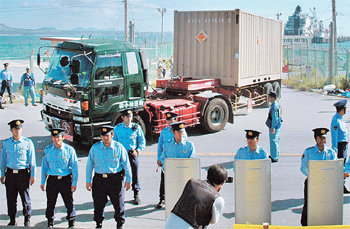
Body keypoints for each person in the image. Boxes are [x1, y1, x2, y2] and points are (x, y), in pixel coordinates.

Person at [300, 128, 349, 226]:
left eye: (324, 138)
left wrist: (341, 173)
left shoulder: (331, 153)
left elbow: (335, 167)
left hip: (327, 184)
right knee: (309, 204)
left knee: (326, 204)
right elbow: (303, 168)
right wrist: (315, 177)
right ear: (315, 138)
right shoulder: (309, 152)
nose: (322, 140)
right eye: (320, 138)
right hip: (312, 183)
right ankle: (305, 224)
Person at [86, 125, 132, 229]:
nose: (105, 138)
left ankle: (119, 224)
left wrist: (128, 180)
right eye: (103, 136)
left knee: (119, 204)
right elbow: (89, 165)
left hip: (115, 179)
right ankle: (98, 223)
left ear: (112, 135)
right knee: (98, 204)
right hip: (99, 180)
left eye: (107, 136)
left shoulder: (119, 147)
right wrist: (88, 181)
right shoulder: (95, 148)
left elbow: (126, 164)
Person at [164, 164, 227, 229]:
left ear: (207, 175)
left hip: (170, 223)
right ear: (222, 183)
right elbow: (212, 221)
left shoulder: (191, 182)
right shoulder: (217, 198)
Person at [0, 119, 36, 226]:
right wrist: (2, 174)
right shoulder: (7, 143)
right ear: (11, 130)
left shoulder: (27, 143)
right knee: (11, 198)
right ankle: (12, 219)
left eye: (19, 128)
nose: (18, 131)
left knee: (25, 198)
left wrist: (32, 175)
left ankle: (27, 219)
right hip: (10, 174)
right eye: (15, 129)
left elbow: (32, 161)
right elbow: (3, 160)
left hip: (23, 174)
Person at [41, 128, 78, 228]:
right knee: (51, 202)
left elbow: (74, 167)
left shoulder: (69, 150)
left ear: (62, 137)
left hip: (65, 180)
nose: (56, 139)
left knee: (69, 202)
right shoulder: (48, 150)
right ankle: (50, 221)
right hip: (52, 180)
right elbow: (44, 167)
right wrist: (42, 181)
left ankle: (71, 221)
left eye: (58, 137)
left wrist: (74, 182)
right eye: (54, 137)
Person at [113, 109, 145, 205]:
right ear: (122, 118)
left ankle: (136, 194)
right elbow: (114, 142)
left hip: (131, 154)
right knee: (119, 175)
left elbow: (142, 141)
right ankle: (118, 195)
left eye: (130, 116)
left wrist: (138, 151)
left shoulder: (136, 127)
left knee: (134, 175)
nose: (129, 118)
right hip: (121, 155)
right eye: (127, 116)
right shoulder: (117, 128)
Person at [156, 112, 188, 209]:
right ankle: (162, 199)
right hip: (167, 160)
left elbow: (185, 145)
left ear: (175, 120)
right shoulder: (164, 132)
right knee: (164, 181)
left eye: (171, 120)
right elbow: (160, 146)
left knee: (178, 181)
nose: (169, 122)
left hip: (177, 160)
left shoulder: (182, 132)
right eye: (168, 120)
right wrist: (159, 158)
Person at [331, 99, 350, 193]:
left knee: (344, 165)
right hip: (340, 146)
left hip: (344, 145)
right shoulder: (335, 120)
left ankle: (342, 185)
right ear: (342, 109)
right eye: (345, 108)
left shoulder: (340, 119)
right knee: (340, 166)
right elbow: (334, 136)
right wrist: (335, 150)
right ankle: (339, 186)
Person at [265, 90, 282, 163]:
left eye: (269, 97)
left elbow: (275, 119)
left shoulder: (274, 107)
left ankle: (274, 157)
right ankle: (276, 155)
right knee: (276, 141)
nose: (268, 98)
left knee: (273, 141)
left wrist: (272, 127)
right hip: (278, 126)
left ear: (273, 98)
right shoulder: (277, 105)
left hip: (274, 126)